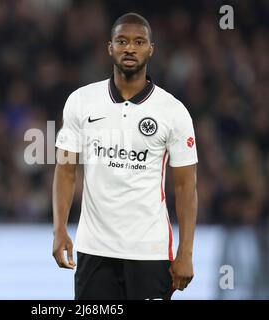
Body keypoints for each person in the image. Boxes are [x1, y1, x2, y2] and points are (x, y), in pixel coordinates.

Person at [52, 12, 198, 300]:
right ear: (110, 48)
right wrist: (59, 230)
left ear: (150, 49)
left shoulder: (173, 111)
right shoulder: (81, 101)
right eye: (122, 41)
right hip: (94, 249)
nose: (130, 48)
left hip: (149, 251)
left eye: (138, 42)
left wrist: (185, 253)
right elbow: (66, 170)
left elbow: (186, 186)